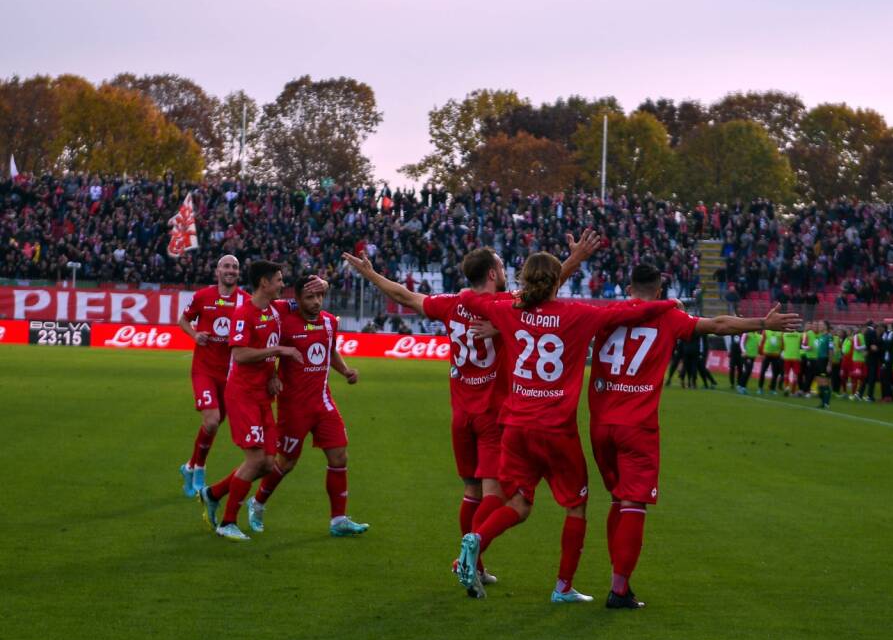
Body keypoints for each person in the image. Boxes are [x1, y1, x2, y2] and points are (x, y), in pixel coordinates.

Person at [344, 232, 599, 588]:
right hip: (493, 416)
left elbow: (403, 295)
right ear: (493, 273)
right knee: (498, 497)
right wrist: (576, 260)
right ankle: (470, 558)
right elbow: (546, 286)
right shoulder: (508, 304)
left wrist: (370, 274)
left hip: (460, 413)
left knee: (470, 491)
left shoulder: (451, 303)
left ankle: (473, 565)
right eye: (500, 265)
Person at [454, 252, 680, 602]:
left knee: (518, 501)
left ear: (524, 280)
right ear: (558, 281)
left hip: (515, 427)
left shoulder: (508, 310)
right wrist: (667, 304)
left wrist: (491, 311)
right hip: (556, 429)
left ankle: (477, 539)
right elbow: (627, 311)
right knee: (576, 506)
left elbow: (471, 298)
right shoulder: (578, 313)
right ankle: (563, 587)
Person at [588, 264, 800, 608]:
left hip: (599, 424)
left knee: (617, 498)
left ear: (628, 288)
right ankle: (619, 588)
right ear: (658, 292)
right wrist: (763, 323)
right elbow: (718, 325)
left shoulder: (603, 312)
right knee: (633, 502)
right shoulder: (669, 317)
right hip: (636, 426)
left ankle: (616, 577)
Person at [244, 275, 369, 538]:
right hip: (294, 407)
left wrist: (345, 371)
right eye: (310, 297)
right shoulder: (284, 321)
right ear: (298, 298)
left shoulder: (330, 322)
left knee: (339, 457)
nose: (316, 302)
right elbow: (270, 348)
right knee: (286, 463)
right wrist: (274, 376)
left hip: (323, 402)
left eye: (319, 296)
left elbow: (330, 351)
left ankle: (338, 520)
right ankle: (257, 503)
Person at [198, 261, 304, 541]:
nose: (283, 285)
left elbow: (306, 303)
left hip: (262, 394)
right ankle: (227, 522)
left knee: (269, 463)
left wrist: (274, 373)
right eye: (279, 280)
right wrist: (279, 349)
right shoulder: (244, 313)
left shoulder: (274, 310)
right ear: (264, 283)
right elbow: (240, 355)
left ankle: (213, 493)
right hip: (242, 394)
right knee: (255, 459)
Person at [177, 255, 249, 497]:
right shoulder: (203, 296)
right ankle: (200, 468)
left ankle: (188, 467)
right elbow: (183, 320)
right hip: (204, 370)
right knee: (210, 420)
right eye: (226, 266)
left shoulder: (245, 301)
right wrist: (195, 335)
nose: (231, 270)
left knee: (214, 424)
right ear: (217, 270)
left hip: (231, 375)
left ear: (238, 273)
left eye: (235, 267)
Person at [812, 321, 834, 409]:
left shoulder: (829, 337)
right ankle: (823, 402)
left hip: (824, 360)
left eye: (821, 325)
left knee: (824, 382)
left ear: (825, 326)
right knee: (819, 381)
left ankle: (826, 403)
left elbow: (831, 351)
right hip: (819, 360)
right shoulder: (821, 336)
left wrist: (829, 363)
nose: (819, 326)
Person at [737, 329, 762, 394]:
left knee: (749, 372)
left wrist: (760, 354)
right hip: (747, 355)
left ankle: (743, 387)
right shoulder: (747, 333)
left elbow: (759, 345)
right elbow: (742, 342)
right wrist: (743, 351)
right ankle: (740, 386)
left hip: (753, 356)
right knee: (747, 371)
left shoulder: (758, 336)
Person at [758, 329, 783, 394]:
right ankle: (760, 388)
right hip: (766, 354)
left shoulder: (781, 332)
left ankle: (772, 389)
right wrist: (761, 353)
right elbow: (762, 342)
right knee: (763, 371)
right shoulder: (766, 330)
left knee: (775, 373)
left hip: (776, 355)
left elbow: (782, 344)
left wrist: (780, 352)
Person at [781, 327, 803, 396]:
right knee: (795, 375)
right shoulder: (800, 335)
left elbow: (783, 346)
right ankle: (793, 391)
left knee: (786, 374)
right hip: (796, 357)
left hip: (787, 356)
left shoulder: (784, 334)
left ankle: (786, 387)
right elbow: (800, 346)